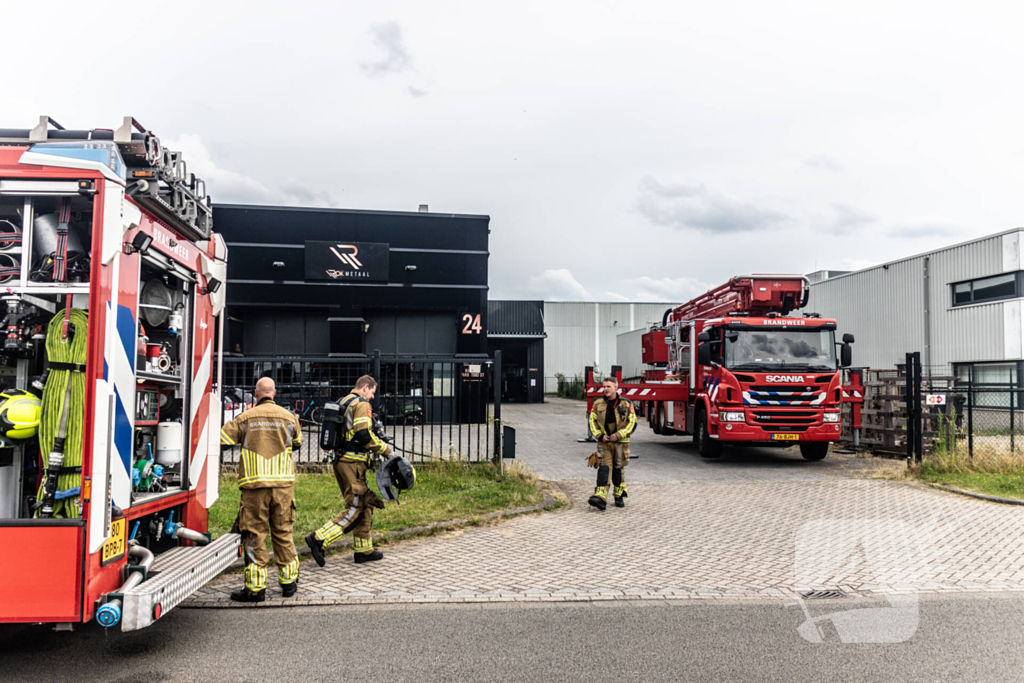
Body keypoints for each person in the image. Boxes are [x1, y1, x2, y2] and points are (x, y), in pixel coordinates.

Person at [220, 377, 302, 602]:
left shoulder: (245, 417)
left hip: (255, 487)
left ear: (256, 394)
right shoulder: (289, 417)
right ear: (273, 393)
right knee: (283, 531)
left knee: (255, 535)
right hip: (283, 486)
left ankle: (255, 589)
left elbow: (223, 439)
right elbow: (297, 443)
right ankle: (289, 583)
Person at [306, 375, 392, 565]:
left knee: (364, 504)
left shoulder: (343, 401)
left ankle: (364, 550)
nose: (371, 397)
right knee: (355, 507)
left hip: (341, 461)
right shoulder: (361, 404)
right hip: (352, 463)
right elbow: (363, 433)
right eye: (372, 393)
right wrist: (386, 450)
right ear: (365, 387)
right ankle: (319, 539)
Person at [587, 377, 636, 510]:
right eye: (604, 386)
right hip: (604, 443)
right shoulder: (598, 404)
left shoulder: (626, 404)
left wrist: (619, 435)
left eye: (609, 386)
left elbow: (632, 423)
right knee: (604, 468)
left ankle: (618, 495)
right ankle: (600, 497)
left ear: (616, 388)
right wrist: (599, 436)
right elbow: (592, 421)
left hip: (621, 443)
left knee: (618, 468)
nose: (606, 389)